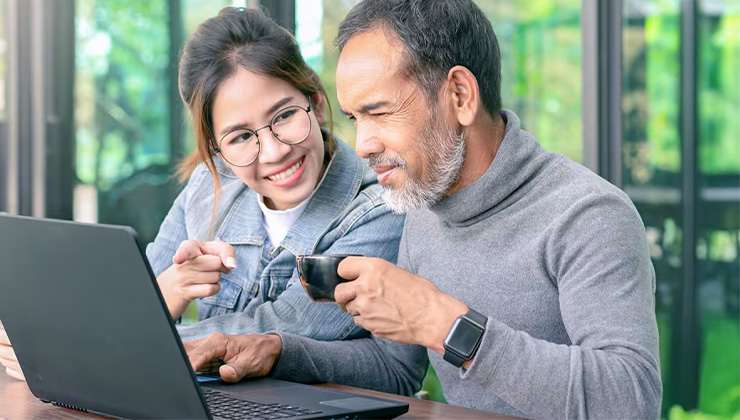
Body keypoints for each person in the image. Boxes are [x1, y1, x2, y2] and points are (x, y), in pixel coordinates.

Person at [184, 1, 662, 418]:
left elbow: (630, 400)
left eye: (379, 112)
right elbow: (395, 369)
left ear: (459, 95)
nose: (363, 145)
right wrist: (278, 351)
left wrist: (444, 323)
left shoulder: (588, 215)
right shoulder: (423, 207)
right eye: (354, 118)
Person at [0, 7, 427, 395]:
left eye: (284, 116)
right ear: (215, 150)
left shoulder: (381, 208)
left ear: (314, 103)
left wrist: (73, 346)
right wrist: (168, 291)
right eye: (240, 137)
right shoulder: (210, 185)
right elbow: (134, 296)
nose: (274, 151)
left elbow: (269, 329)